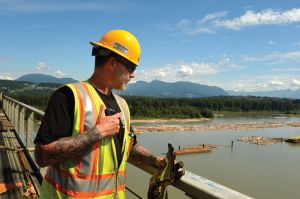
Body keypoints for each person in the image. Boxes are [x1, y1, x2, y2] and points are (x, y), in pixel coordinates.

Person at [34, 29, 165, 198]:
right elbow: (41, 156)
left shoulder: (122, 105)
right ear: (112, 63)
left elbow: (129, 147)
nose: (133, 75)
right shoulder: (69, 96)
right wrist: (97, 133)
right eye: (131, 66)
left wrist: (157, 161)